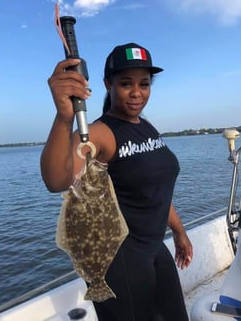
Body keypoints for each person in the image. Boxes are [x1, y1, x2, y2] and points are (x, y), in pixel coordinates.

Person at [41, 42, 193, 321]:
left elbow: (155, 191)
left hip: (154, 247)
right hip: (118, 258)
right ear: (107, 84)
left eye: (144, 84)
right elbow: (57, 180)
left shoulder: (145, 126)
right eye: (126, 83)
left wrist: (179, 231)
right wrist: (65, 117)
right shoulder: (100, 133)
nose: (137, 93)